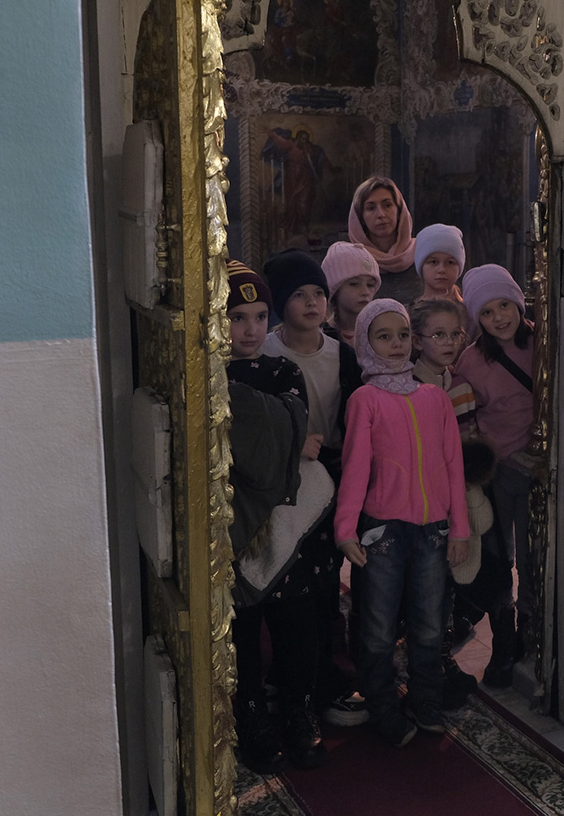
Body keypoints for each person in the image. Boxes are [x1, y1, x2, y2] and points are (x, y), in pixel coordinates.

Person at [335, 299, 471, 747]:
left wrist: (460, 527)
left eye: (401, 335)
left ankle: (425, 699)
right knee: (377, 627)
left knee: (429, 624)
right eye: (383, 336)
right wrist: (346, 529)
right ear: (365, 342)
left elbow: (453, 466)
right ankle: (382, 706)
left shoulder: (434, 398)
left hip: (432, 531)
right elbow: (356, 468)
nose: (395, 344)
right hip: (383, 533)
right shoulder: (365, 400)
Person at [224, 260, 333, 772]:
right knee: (243, 627)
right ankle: (250, 717)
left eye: (260, 316)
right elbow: (286, 438)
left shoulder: (281, 370)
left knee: (296, 624)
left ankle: (298, 709)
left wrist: (265, 434)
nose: (251, 329)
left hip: (287, 521)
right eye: (237, 317)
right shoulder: (210, 376)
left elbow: (291, 426)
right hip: (237, 522)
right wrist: (287, 439)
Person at [260, 248, 366, 728]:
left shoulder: (340, 353)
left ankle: (323, 670)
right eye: (299, 294)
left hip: (332, 470)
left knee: (325, 575)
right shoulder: (264, 352)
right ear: (281, 302)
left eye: (318, 294)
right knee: (287, 574)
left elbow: (355, 413)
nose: (311, 303)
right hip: (284, 475)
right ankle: (287, 677)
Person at [453, 265, 538, 688]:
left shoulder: (543, 342)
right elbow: (468, 424)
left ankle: (533, 632)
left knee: (535, 555)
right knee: (500, 557)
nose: (499, 317)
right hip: (501, 470)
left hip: (541, 467)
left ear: (518, 303)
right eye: (486, 312)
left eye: (505, 305)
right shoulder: (471, 361)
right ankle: (504, 641)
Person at [410, 299, 483, 706]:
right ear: (417, 340)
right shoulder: (405, 385)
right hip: (416, 501)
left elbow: (468, 446)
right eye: (438, 334)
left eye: (455, 334)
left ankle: (440, 657)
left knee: (446, 586)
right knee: (420, 588)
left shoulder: (460, 387)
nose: (449, 342)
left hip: (451, 502)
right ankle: (421, 663)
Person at [347, 176, 422, 304]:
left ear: (399, 211)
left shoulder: (422, 254)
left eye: (387, 205)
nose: (381, 214)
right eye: (371, 208)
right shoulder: (349, 261)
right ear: (361, 217)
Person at [321, 240, 381, 349]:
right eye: (354, 284)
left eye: (370, 285)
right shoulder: (321, 337)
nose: (365, 292)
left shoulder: (381, 331)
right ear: (335, 289)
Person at [413, 224, 470, 331]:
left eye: (450, 262)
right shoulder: (406, 314)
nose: (442, 269)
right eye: (433, 262)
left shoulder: (471, 314)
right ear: (421, 265)